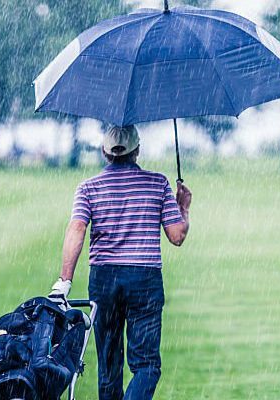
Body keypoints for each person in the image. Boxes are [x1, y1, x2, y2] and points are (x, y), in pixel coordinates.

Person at [49, 125, 191, 400]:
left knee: (109, 366)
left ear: (105, 151)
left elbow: (77, 230)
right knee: (147, 365)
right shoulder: (158, 183)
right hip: (144, 280)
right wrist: (183, 207)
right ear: (137, 150)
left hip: (104, 280)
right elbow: (177, 235)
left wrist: (64, 281)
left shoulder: (88, 188)